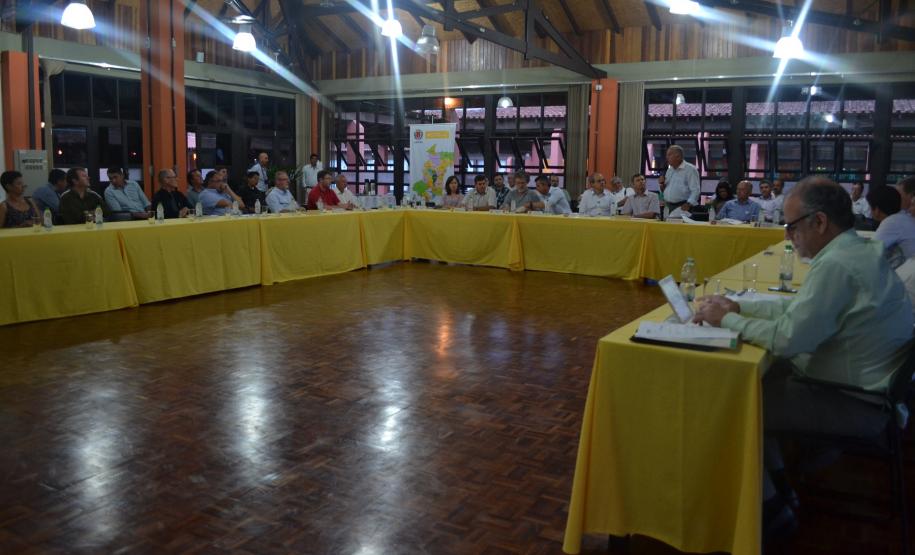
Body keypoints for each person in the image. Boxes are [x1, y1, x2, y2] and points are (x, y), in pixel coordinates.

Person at [692, 176, 913, 539]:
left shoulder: (837, 265)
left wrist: (727, 319)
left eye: (791, 226)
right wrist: (738, 306)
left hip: (856, 403)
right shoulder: (855, 251)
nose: (787, 236)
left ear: (820, 221)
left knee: (733, 403)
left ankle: (771, 509)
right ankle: (781, 485)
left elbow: (787, 339)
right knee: (764, 380)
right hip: (870, 392)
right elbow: (800, 310)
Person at [869, 180, 915, 268]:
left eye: (898, 194)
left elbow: (870, 253)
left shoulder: (895, 220)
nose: (894, 197)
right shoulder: (904, 218)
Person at [663, 145, 700, 214]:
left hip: (683, 206)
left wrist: (689, 203)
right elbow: (666, 189)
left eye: (669, 155)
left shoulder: (690, 169)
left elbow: (695, 190)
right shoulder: (670, 170)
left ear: (678, 156)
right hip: (668, 205)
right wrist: (662, 184)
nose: (667, 157)